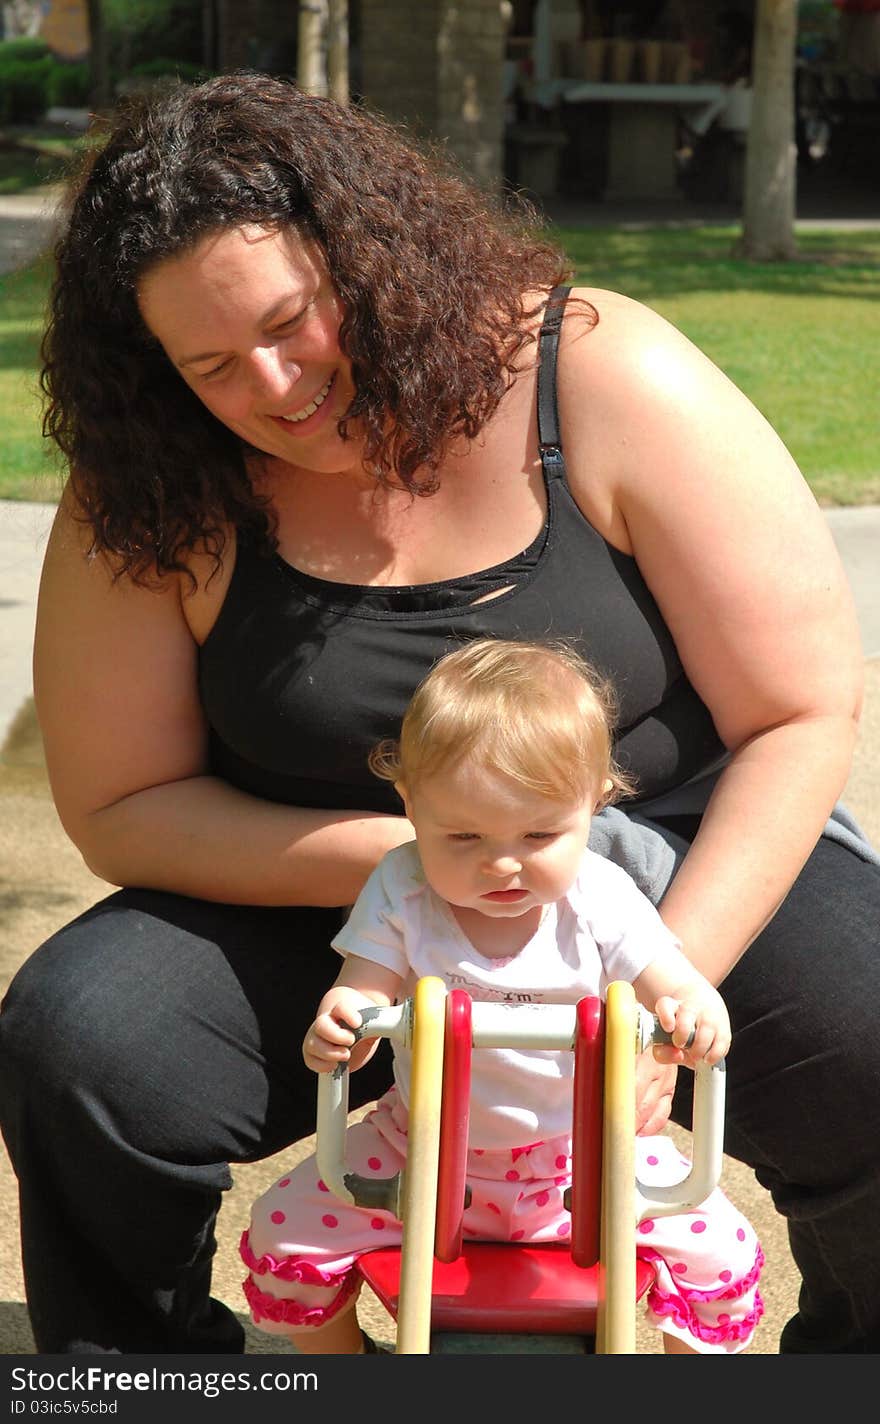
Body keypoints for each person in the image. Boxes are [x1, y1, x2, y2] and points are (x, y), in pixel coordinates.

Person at [0, 69, 876, 1356]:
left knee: (871, 1026)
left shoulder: (596, 371)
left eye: (295, 319)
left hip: (651, 862)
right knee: (83, 1042)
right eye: (211, 365)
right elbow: (123, 808)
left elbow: (801, 711)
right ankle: (151, 1378)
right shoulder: (152, 487)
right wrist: (425, 873)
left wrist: (638, 985)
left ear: (370, 253)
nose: (277, 382)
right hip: (322, 895)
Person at [241, 638, 764, 1355]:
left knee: (722, 1252)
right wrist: (340, 1027)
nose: (503, 862)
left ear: (596, 802)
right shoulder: (403, 887)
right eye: (462, 835)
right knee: (284, 1230)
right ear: (410, 803)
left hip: (583, 1156)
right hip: (417, 1145)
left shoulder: (600, 898)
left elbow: (679, 984)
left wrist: (695, 1016)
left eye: (541, 833)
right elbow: (358, 997)